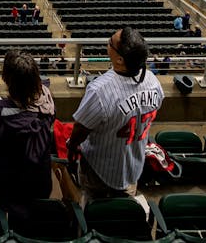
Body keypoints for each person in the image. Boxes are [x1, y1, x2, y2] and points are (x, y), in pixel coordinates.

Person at [66, 27, 165, 203]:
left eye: (110, 42)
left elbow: (80, 129)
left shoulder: (100, 90)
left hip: (100, 168)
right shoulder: (153, 81)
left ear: (120, 59)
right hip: (133, 164)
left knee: (93, 204)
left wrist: (72, 146)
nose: (107, 43)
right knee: (125, 203)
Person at [0, 50, 56, 222]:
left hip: (8, 186)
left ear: (7, 80)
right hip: (39, 182)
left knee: (1, 218)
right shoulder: (48, 102)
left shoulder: (1, 113)